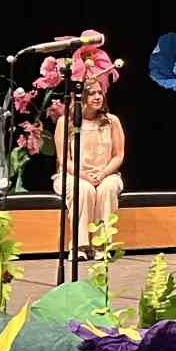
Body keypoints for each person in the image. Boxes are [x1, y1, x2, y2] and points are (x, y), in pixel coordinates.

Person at [52, 81, 125, 258]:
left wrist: (103, 173)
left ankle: (102, 245)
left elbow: (118, 156)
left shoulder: (111, 121)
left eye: (100, 93)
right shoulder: (65, 122)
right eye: (92, 93)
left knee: (107, 188)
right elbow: (63, 159)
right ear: (80, 97)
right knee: (83, 189)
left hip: (106, 173)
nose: (98, 97)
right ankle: (80, 246)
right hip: (72, 175)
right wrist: (83, 174)